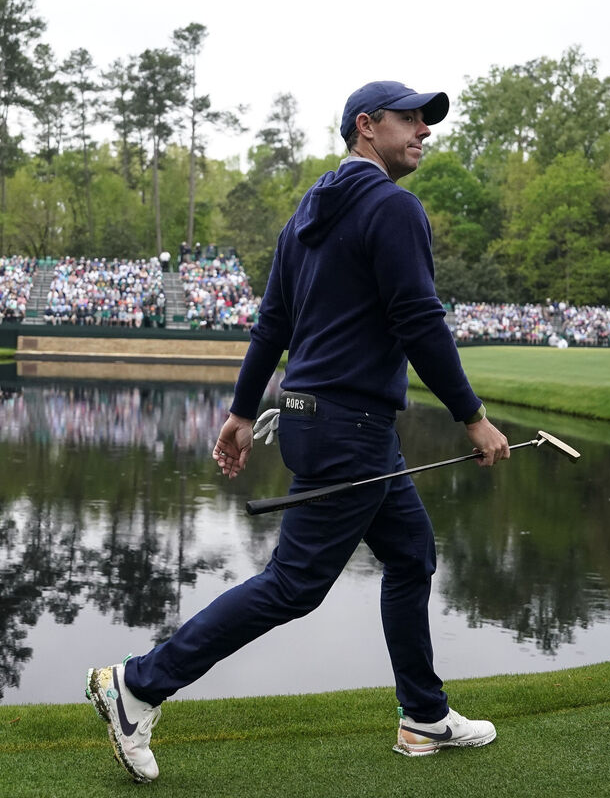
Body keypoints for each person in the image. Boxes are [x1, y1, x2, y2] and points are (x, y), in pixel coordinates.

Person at [85, 81, 511, 783]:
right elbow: (420, 321)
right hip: (350, 427)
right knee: (294, 585)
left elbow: (272, 327)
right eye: (411, 120)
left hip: (323, 421)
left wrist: (243, 411)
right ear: (366, 128)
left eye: (426, 122)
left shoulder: (306, 214)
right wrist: (473, 417)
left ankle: (424, 715)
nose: (424, 132)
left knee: (410, 554)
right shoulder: (395, 208)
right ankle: (137, 686)